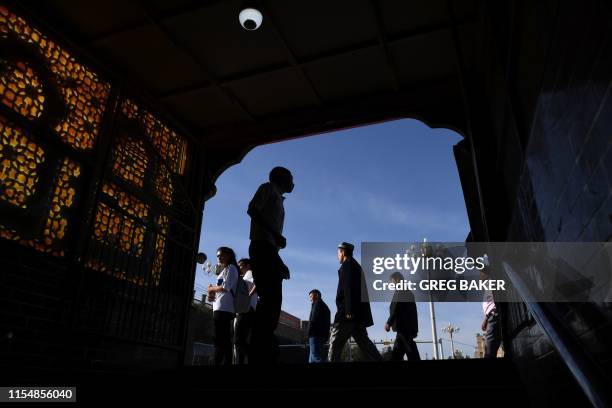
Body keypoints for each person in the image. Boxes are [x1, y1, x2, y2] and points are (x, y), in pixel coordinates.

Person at [247, 167, 294, 364]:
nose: (293, 183)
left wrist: (279, 262)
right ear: (281, 178)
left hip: (269, 251)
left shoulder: (279, 200)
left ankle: (264, 343)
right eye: (291, 178)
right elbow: (252, 209)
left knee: (273, 299)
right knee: (270, 298)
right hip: (262, 248)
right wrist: (275, 235)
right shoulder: (267, 189)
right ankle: (260, 347)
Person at [328, 242, 382, 362]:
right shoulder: (356, 266)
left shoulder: (348, 266)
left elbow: (348, 288)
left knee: (334, 344)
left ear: (343, 252)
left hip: (346, 315)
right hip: (358, 316)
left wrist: (348, 310)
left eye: (338, 253)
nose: (337, 256)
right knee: (366, 345)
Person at [207, 247, 239, 365]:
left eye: (221, 255)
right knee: (224, 340)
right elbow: (220, 290)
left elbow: (225, 288)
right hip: (219, 307)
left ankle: (217, 362)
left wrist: (211, 288)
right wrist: (211, 293)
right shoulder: (223, 270)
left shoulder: (231, 268)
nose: (219, 258)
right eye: (217, 256)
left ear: (229, 256)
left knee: (220, 339)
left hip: (225, 308)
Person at [384, 272, 420, 361]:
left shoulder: (400, 291)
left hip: (403, 328)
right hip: (407, 329)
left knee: (404, 353)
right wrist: (414, 329)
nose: (392, 284)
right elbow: (414, 313)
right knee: (403, 352)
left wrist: (389, 323)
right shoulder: (408, 292)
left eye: (392, 282)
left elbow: (396, 307)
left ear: (397, 280)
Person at [234, 258, 257, 364]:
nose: (239, 267)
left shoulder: (250, 273)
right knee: (241, 340)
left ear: (247, 265)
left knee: (238, 340)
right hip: (247, 309)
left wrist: (248, 296)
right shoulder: (244, 276)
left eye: (240, 265)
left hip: (246, 310)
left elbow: (258, 283)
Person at [481, 267, 502, 358]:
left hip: (494, 317)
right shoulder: (486, 285)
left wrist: (490, 316)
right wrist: (486, 318)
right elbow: (490, 304)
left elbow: (493, 305)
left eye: (480, 272)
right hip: (492, 316)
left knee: (489, 353)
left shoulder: (492, 282)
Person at [307, 289, 331, 363]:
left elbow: (313, 319)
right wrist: (326, 336)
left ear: (317, 295)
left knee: (315, 357)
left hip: (314, 335)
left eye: (311, 296)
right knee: (311, 358)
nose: (310, 299)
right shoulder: (326, 308)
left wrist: (309, 332)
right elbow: (328, 324)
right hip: (322, 336)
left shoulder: (317, 304)